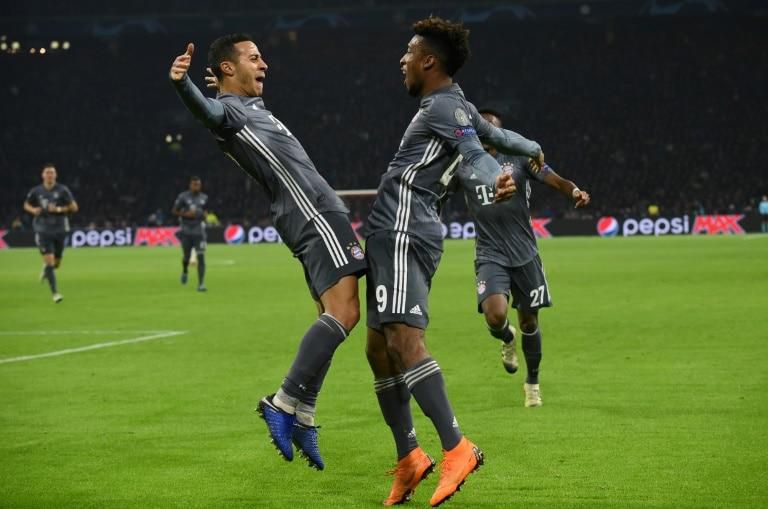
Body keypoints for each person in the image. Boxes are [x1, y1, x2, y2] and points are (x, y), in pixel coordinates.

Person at [364, 17, 544, 507]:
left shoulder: (443, 104)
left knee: (404, 340)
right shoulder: (455, 103)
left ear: (429, 60)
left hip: (403, 229)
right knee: (379, 350)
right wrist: (529, 151)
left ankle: (456, 448)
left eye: (408, 51)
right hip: (392, 231)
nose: (402, 60)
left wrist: (499, 176)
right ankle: (409, 458)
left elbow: (476, 150)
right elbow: (495, 138)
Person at [168, 34, 366, 470]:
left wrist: (219, 87)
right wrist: (185, 85)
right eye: (254, 58)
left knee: (329, 316)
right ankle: (284, 401)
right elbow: (209, 112)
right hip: (313, 213)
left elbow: (220, 103)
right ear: (227, 68)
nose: (265, 65)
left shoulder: (250, 106)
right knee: (345, 313)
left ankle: (304, 415)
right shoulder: (231, 112)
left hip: (309, 214)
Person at [455, 108, 590, 408]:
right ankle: (506, 338)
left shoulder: (518, 158)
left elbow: (556, 180)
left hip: (525, 253)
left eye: (493, 128)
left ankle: (532, 382)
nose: (487, 132)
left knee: (529, 321)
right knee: (495, 316)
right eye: (483, 126)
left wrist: (575, 191)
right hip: (490, 252)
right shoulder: (462, 165)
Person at [23, 164, 79, 303]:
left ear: (56, 175)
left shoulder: (62, 190)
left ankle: (47, 269)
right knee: (49, 260)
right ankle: (55, 293)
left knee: (56, 264)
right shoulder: (36, 191)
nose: (50, 175)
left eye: (52, 173)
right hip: (43, 230)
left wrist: (58, 209)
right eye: (47, 172)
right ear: (43, 175)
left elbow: (74, 207)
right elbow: (26, 204)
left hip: (60, 229)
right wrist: (33, 210)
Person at [172, 176, 209, 291]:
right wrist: (187, 215)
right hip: (186, 230)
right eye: (195, 184)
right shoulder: (183, 197)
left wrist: (203, 215)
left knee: (201, 256)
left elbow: (207, 212)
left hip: (199, 230)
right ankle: (185, 271)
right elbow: (174, 211)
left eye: (198, 184)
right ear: (190, 185)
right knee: (186, 257)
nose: (197, 186)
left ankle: (201, 284)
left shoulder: (204, 198)